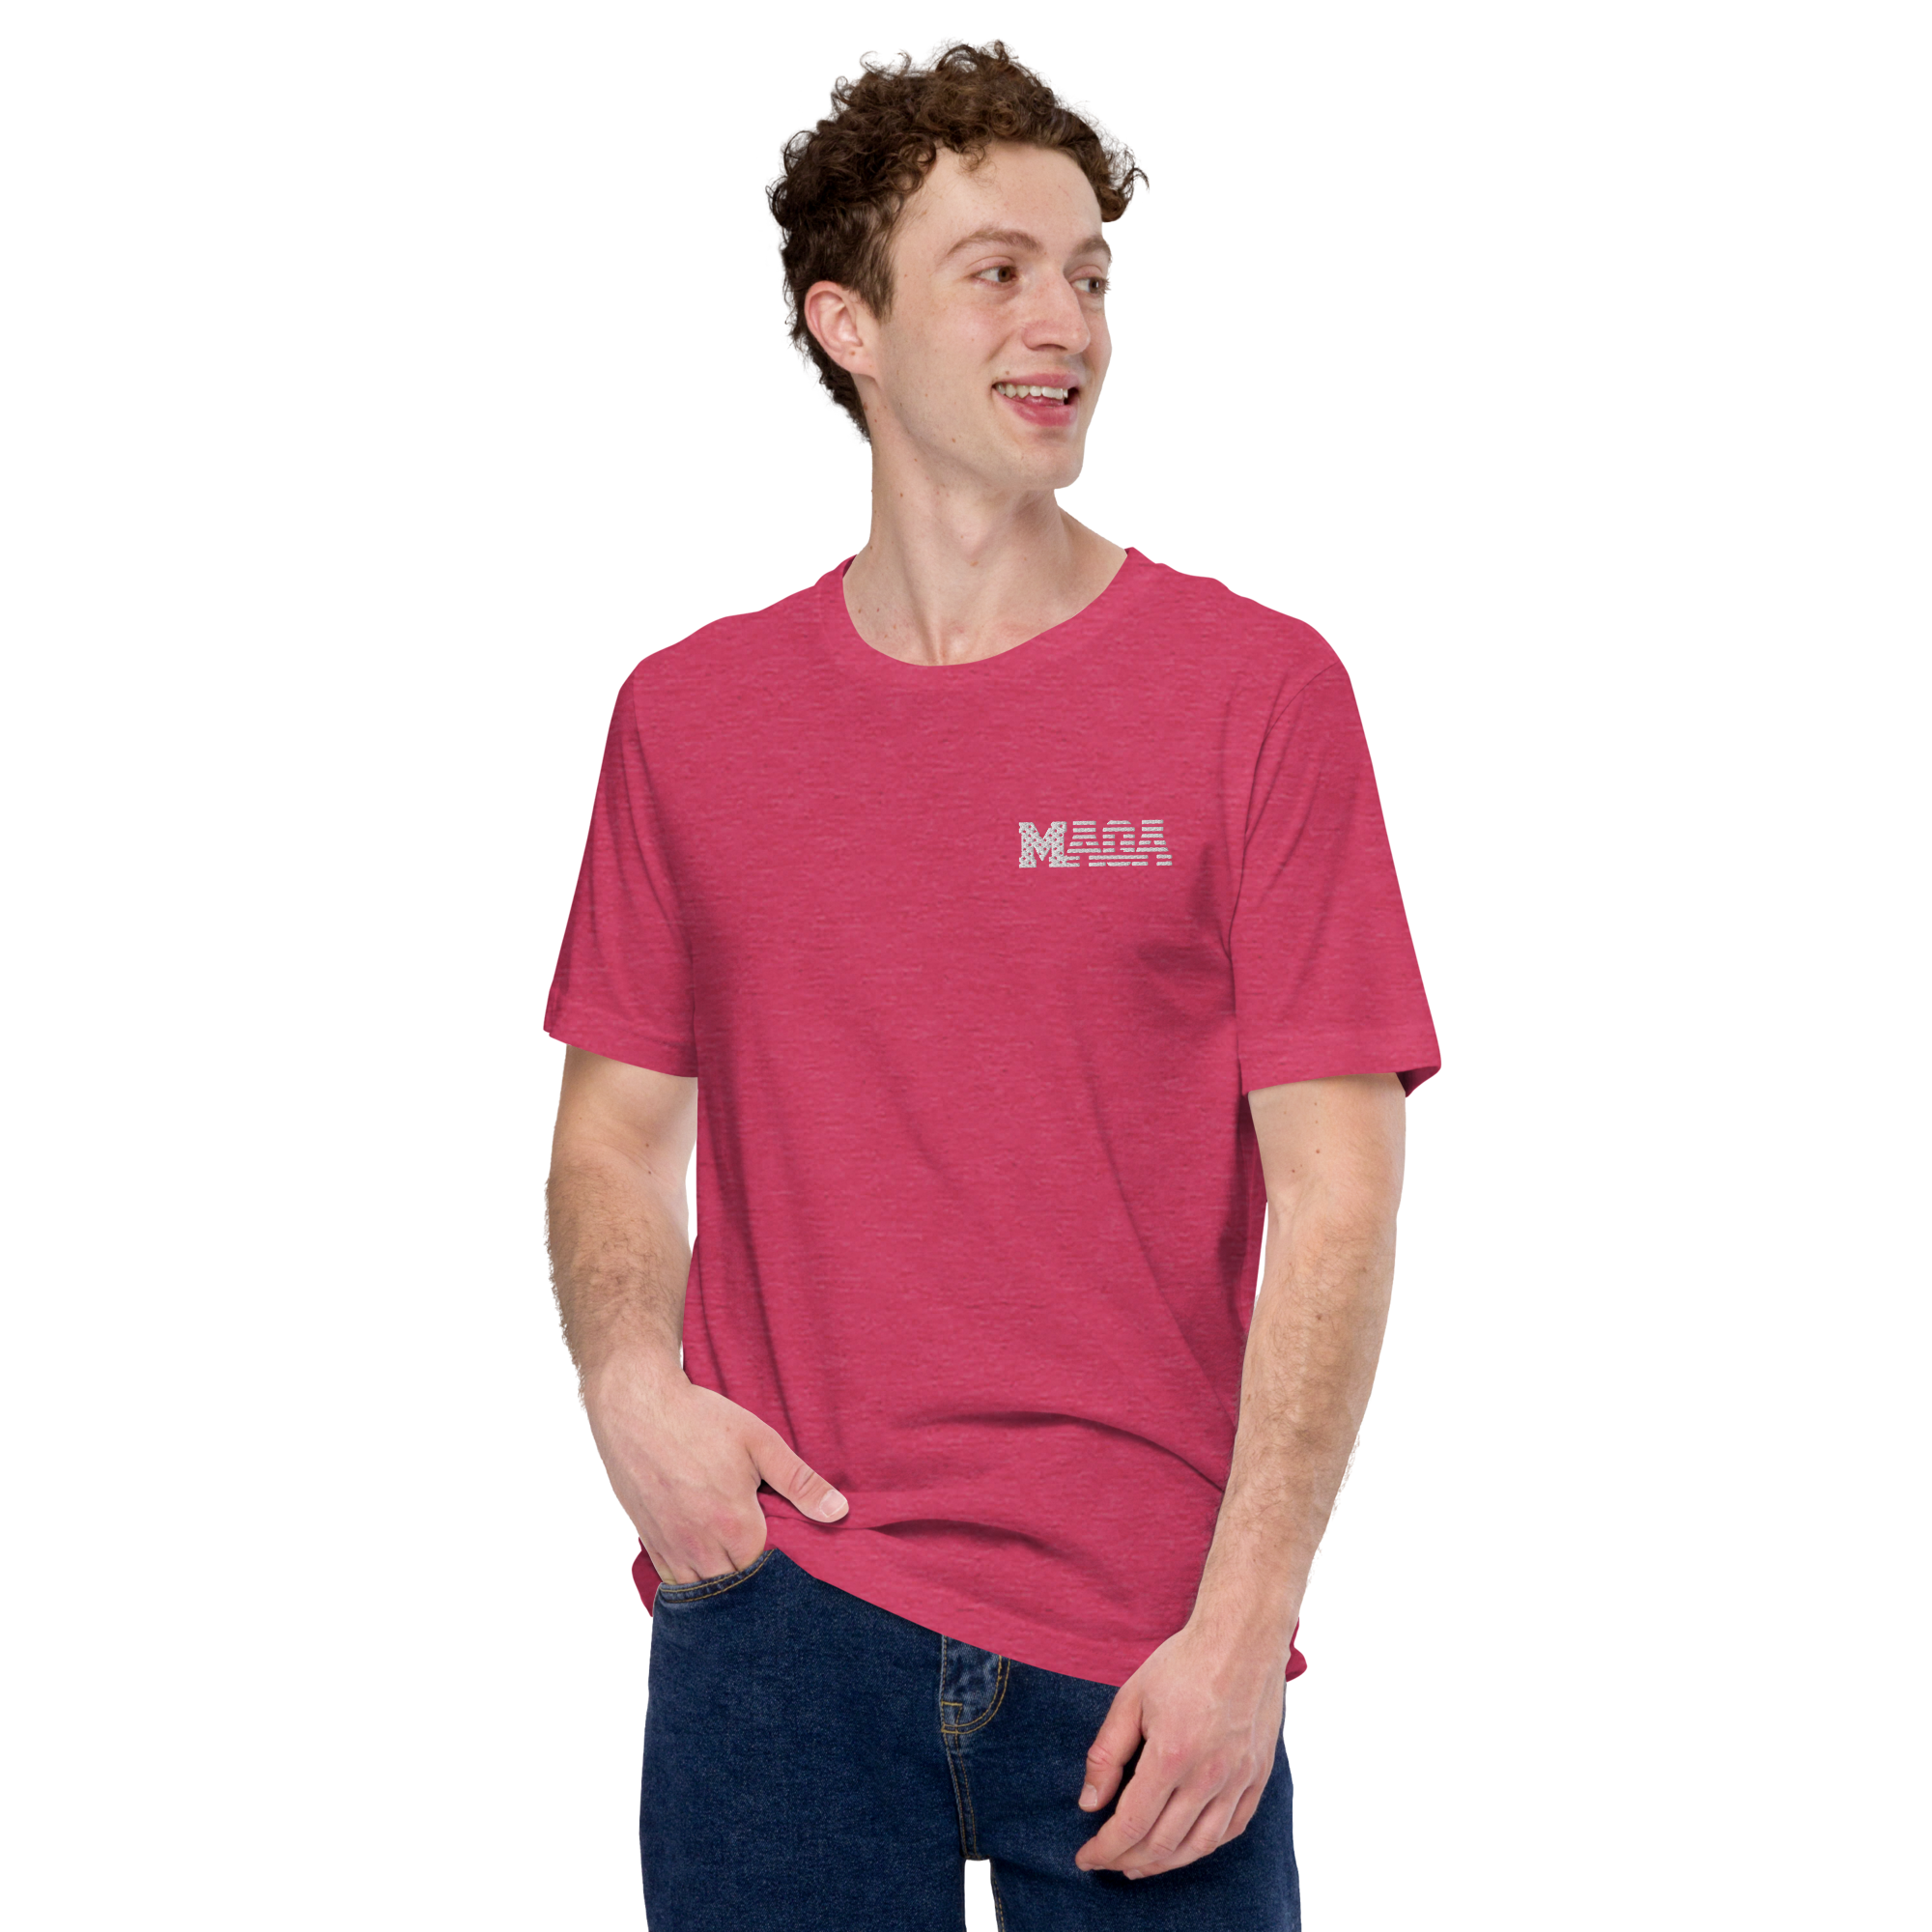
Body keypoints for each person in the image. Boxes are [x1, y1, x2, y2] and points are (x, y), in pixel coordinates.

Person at [542, 35, 1445, 1930]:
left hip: (1148, 1652)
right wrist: (631, 1390)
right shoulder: (690, 720)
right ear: (847, 324)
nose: (1066, 325)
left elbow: (1339, 1189)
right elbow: (612, 1134)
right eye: (1000, 273)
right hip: (778, 1608)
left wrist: (1246, 1631)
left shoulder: (1253, 700)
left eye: (1090, 277)